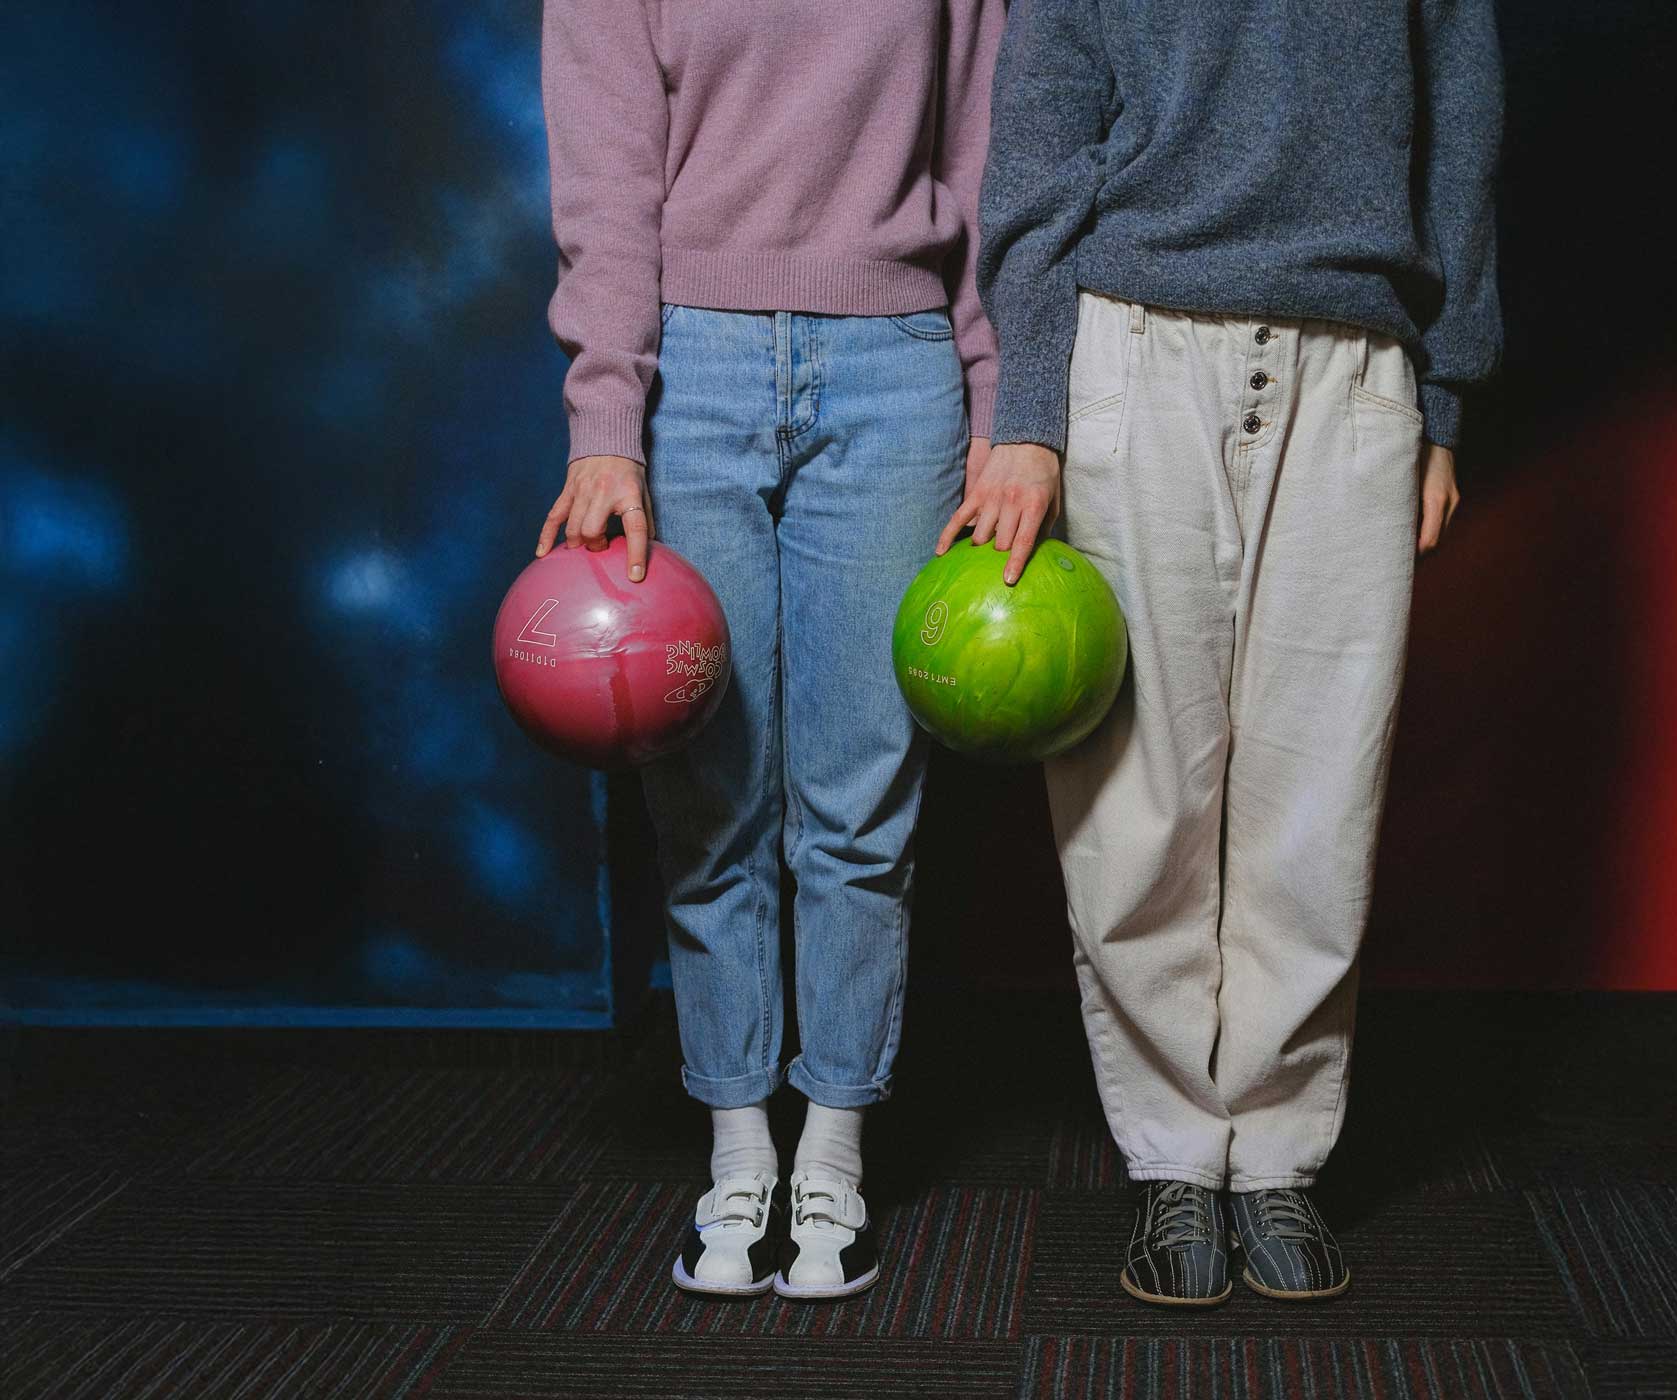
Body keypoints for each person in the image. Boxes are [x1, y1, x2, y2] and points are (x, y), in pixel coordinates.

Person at [951, 0, 1503, 1305]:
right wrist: (1028, 409)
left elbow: (1464, 126)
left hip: (1357, 355)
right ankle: (1178, 1155)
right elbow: (1036, 140)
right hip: (1135, 343)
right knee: (1142, 795)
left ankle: (1278, 1162)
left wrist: (1450, 394)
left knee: (1317, 791)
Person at [538, 1, 1003, 1300]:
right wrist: (607, 427)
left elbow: (981, 160)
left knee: (861, 801)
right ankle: (736, 1145)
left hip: (895, 368)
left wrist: (994, 399)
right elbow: (607, 185)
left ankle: (835, 1153)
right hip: (693, 369)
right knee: (706, 798)